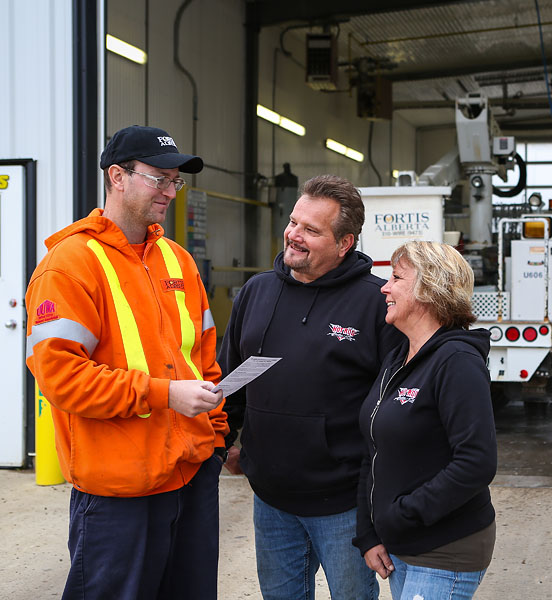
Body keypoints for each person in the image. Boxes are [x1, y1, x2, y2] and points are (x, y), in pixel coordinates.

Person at [24, 125, 228, 599]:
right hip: (119, 494)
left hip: (192, 476)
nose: (170, 192)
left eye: (175, 181)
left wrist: (215, 441)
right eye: (159, 179)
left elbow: (204, 360)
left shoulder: (178, 261)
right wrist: (164, 394)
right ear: (117, 176)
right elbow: (62, 379)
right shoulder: (69, 266)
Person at [218, 174, 404, 600]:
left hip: (344, 505)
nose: (294, 235)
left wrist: (383, 497)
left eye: (311, 230)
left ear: (344, 243)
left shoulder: (377, 303)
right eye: (293, 222)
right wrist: (223, 441)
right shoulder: (256, 292)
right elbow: (230, 381)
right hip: (271, 501)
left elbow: (394, 409)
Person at [353, 241, 497, 600]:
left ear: (430, 290)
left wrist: (403, 515)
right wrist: (369, 532)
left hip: (444, 549)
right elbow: (374, 448)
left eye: (396, 278)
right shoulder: (399, 357)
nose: (384, 288)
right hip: (401, 544)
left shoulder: (457, 362)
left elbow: (476, 462)